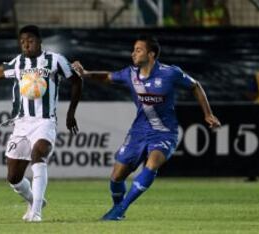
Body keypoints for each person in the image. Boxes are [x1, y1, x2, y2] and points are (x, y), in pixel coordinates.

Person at [72, 35, 220, 221]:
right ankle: (118, 209)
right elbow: (107, 76)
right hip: (138, 131)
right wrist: (85, 73)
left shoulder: (170, 73)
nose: (133, 53)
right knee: (116, 177)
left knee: (152, 164)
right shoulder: (130, 74)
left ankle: (119, 210)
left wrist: (207, 113)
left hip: (165, 132)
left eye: (138, 50)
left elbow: (195, 86)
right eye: (133, 49)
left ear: (151, 55)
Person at [0, 24, 82, 222]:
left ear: (39, 41)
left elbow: (77, 80)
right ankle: (35, 200)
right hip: (21, 124)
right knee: (13, 177)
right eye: (23, 42)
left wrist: (71, 113)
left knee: (39, 153)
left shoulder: (55, 60)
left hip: (45, 122)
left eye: (30, 41)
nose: (26, 45)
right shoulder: (17, 63)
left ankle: (36, 212)